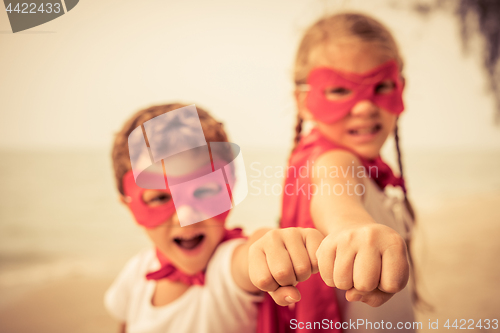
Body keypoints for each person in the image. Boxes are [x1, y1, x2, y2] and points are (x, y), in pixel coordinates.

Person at [254, 13, 416, 333]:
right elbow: (334, 189)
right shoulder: (331, 160)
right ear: (304, 101)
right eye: (340, 91)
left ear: (401, 87)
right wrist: (350, 226)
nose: (364, 107)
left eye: (382, 86)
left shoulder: (369, 168)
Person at [104, 103, 324, 333]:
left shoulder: (226, 271)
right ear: (128, 205)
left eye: (204, 190)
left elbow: (250, 257)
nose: (186, 216)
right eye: (159, 198)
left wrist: (268, 246)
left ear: (231, 187)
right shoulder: (136, 274)